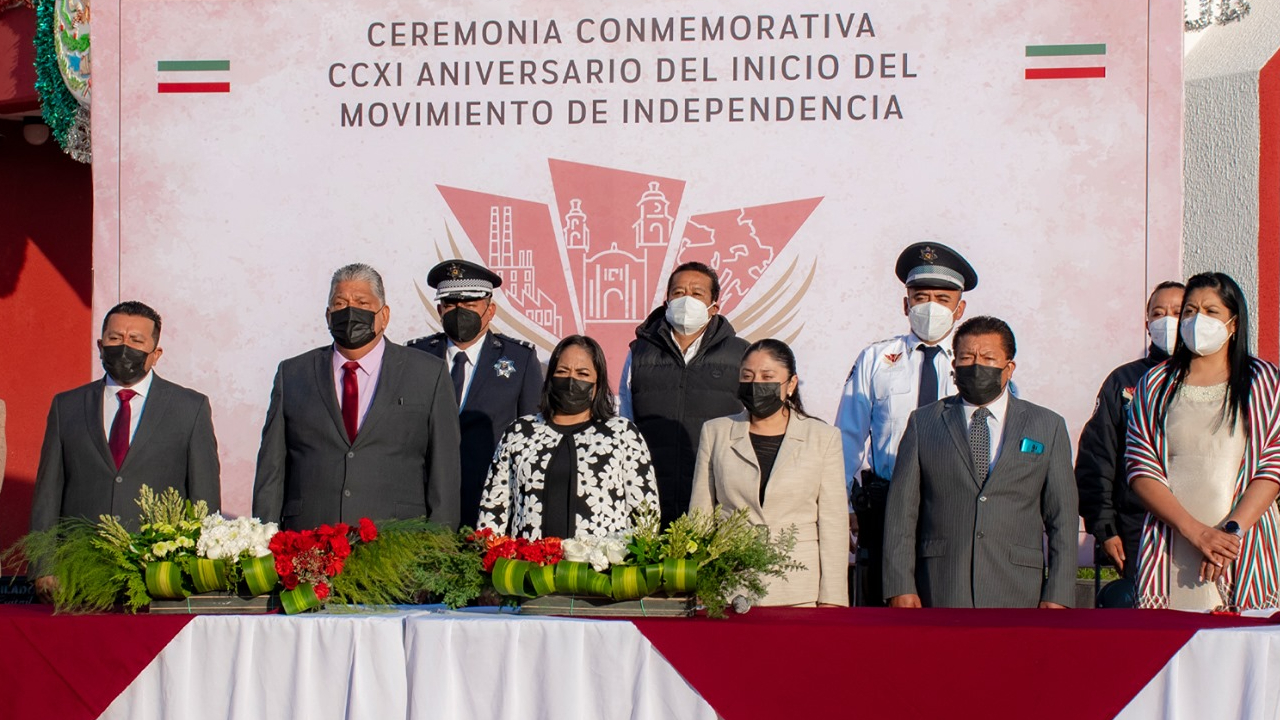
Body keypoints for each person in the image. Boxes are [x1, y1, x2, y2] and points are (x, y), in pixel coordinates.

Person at [883, 316, 1077, 608]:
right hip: (942, 585)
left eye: (987, 358)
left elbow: (1062, 517)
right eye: (966, 357)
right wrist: (900, 585)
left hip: (1018, 589)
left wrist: (1058, 594)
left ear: (1008, 368)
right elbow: (902, 512)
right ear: (954, 366)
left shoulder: (1047, 426)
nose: (976, 365)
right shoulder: (924, 423)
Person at [30, 302, 222, 594]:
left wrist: (200, 570)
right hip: (78, 575)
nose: (124, 347)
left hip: (158, 575)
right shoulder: (66, 406)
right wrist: (43, 568)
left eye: (136, 340)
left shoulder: (189, 408)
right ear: (101, 344)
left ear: (155, 354)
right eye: (115, 338)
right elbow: (48, 493)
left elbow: (203, 497)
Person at [253, 263, 462, 531]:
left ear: (384, 315)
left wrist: (439, 552)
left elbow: (444, 474)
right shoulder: (292, 374)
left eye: (362, 302)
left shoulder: (427, 374)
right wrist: (264, 543)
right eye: (340, 304)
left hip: (397, 548)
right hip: (309, 546)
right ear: (328, 316)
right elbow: (271, 471)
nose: (350, 311)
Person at [1126, 272, 1280, 611]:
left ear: (1234, 323)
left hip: (1243, 542)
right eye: (1191, 311)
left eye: (1211, 312)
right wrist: (1195, 532)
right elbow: (1140, 466)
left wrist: (1230, 535)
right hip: (1172, 541)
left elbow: (1273, 465)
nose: (1199, 320)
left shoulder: (1264, 381)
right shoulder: (1156, 383)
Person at [835, 242, 978, 606]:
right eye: (921, 296)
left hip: (954, 502)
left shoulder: (977, 360)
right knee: (888, 613)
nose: (931, 306)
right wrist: (843, 506)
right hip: (887, 503)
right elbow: (847, 438)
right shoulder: (877, 359)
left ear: (959, 308)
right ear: (906, 304)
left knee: (949, 606)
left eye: (943, 299)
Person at [690, 339, 849, 607]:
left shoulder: (823, 437)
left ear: (791, 384)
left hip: (799, 591)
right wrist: (697, 583)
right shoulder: (715, 432)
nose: (756, 385)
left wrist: (832, 600)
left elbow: (834, 524)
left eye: (767, 377)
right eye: (747, 376)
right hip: (728, 588)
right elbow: (701, 516)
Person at [478, 335, 659, 539]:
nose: (571, 380)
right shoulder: (520, 432)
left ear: (598, 383)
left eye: (583, 374)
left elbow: (645, 515)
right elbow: (493, 509)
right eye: (563, 371)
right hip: (527, 567)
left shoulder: (622, 434)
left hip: (601, 568)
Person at [408, 259, 542, 528]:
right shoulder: (414, 357)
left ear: (490, 310)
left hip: (491, 504)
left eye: (469, 306)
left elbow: (531, 441)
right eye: (451, 305)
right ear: (439, 310)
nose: (460, 312)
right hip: (423, 504)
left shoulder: (520, 359)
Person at [619, 261, 749, 526]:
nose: (686, 299)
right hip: (651, 495)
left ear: (715, 306)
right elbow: (625, 421)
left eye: (697, 293)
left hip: (717, 498)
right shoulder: (639, 353)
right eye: (678, 293)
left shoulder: (741, 354)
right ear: (666, 302)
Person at [1076, 281, 1185, 580]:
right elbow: (1097, 458)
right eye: (1159, 313)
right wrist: (1105, 529)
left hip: (1201, 522)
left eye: (1178, 312)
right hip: (1137, 528)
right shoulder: (1124, 380)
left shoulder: (1216, 380)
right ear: (1147, 323)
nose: (1168, 320)